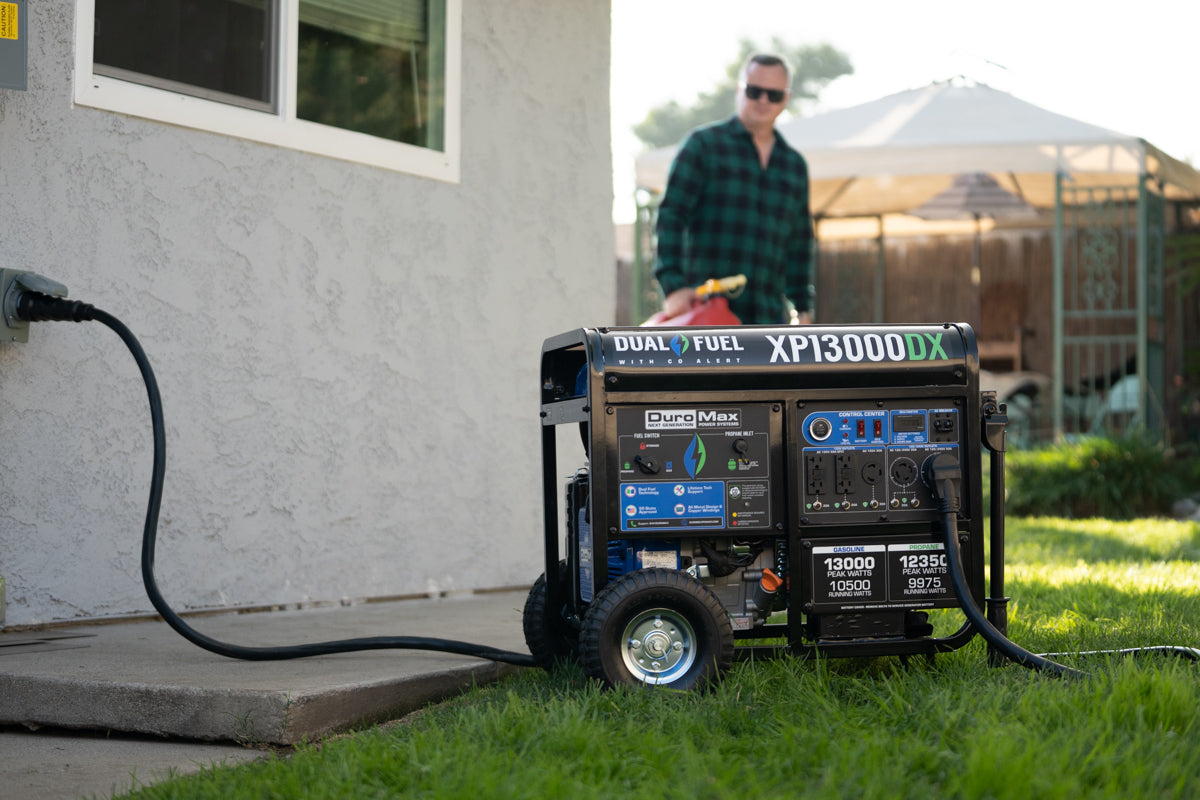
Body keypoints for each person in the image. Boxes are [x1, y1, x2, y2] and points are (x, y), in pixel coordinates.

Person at [654, 52, 815, 325]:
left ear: (785, 99)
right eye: (755, 91)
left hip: (769, 321)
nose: (763, 101)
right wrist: (673, 285)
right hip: (706, 316)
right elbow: (671, 215)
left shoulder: (794, 165)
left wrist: (803, 308)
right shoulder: (703, 146)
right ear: (739, 90)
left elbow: (799, 243)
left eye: (773, 95)